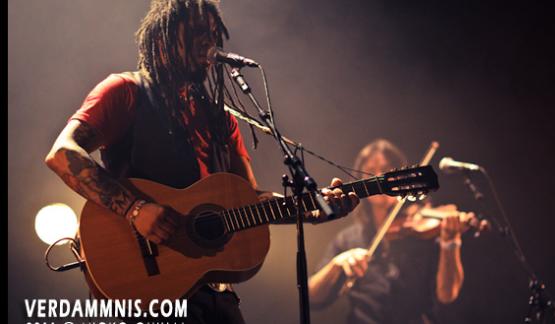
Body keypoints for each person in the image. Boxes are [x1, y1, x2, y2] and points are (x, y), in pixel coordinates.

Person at [44, 1, 359, 323]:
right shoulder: (126, 91)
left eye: (212, 34)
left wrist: (314, 207)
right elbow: (62, 154)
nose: (208, 42)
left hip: (215, 293)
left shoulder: (220, 119)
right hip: (152, 289)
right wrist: (134, 209)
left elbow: (250, 201)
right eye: (196, 32)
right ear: (162, 37)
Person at [309, 139, 481, 324]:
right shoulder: (348, 238)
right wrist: (337, 264)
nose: (378, 176)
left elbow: (447, 295)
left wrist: (451, 242)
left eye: (386, 170)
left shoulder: (424, 231)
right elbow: (312, 298)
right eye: (371, 170)